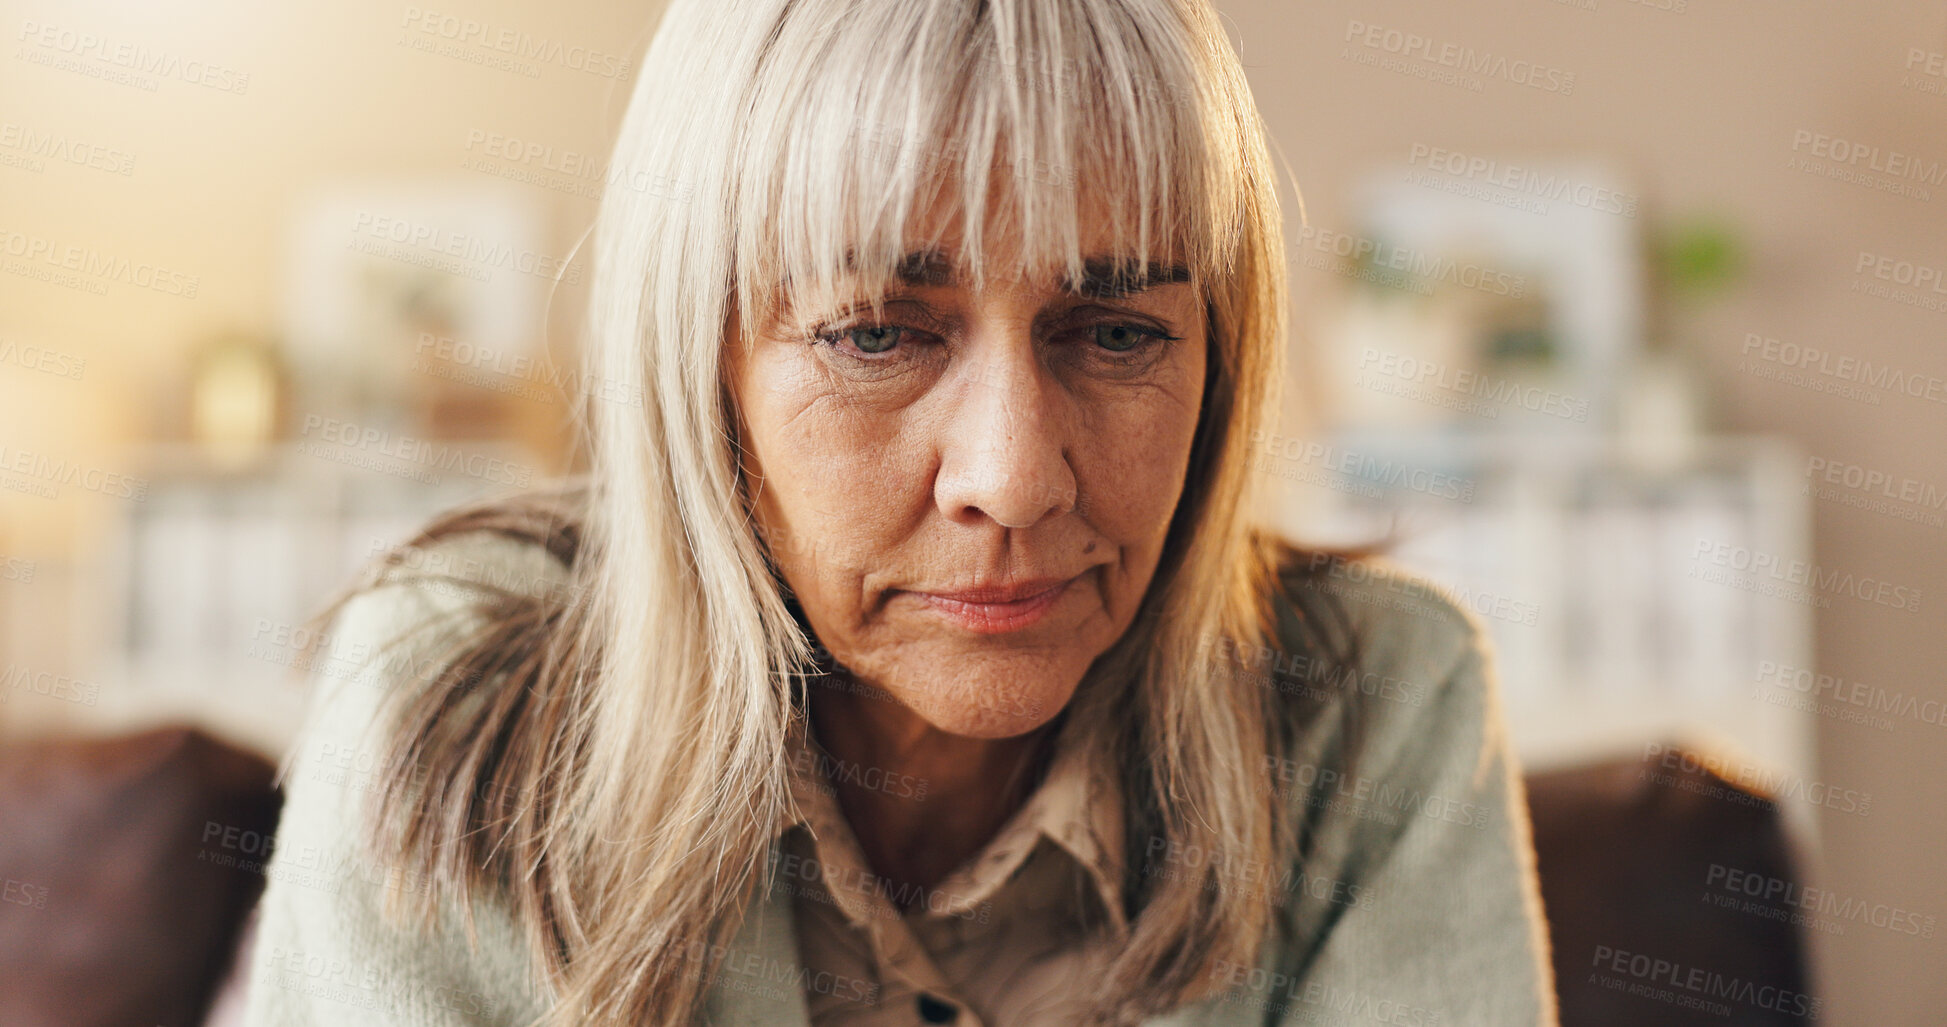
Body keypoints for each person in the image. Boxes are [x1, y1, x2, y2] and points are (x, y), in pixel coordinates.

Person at [244, 1, 1557, 1024]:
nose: (1014, 476)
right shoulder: (465, 701)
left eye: (1113, 331)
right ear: (705, 371)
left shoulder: (1374, 707)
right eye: (876, 334)